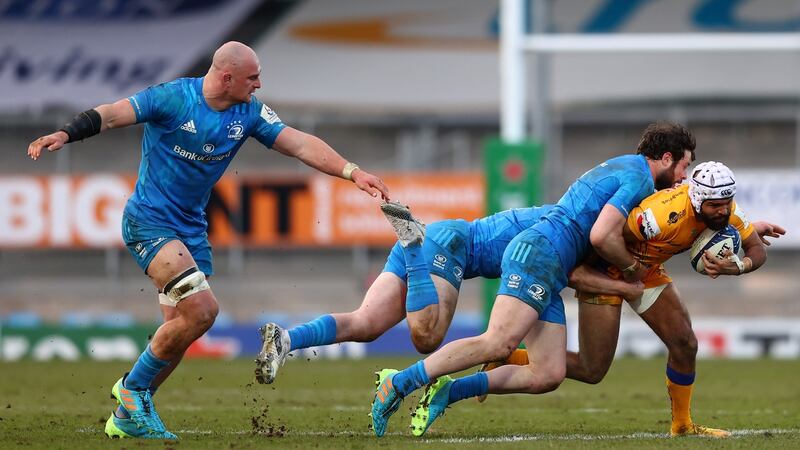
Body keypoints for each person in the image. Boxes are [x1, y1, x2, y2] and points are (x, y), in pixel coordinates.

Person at [26, 41, 389, 440]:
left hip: (191, 230)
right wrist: (65, 132)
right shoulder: (172, 98)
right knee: (202, 311)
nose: (259, 84)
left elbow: (300, 143)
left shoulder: (248, 112)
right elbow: (112, 115)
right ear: (227, 77)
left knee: (179, 333)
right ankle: (131, 389)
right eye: (252, 77)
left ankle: (126, 417)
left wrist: (353, 172)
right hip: (149, 222)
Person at [369, 121, 696, 437]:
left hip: (551, 260)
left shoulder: (625, 168)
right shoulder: (638, 179)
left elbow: (584, 252)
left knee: (548, 373)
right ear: (666, 158)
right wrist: (633, 272)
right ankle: (399, 383)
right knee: (498, 341)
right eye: (684, 166)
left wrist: (623, 284)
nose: (684, 178)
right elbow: (600, 236)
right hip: (541, 254)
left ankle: (448, 391)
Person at [486, 161, 783, 438]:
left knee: (685, 343)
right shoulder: (658, 215)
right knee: (592, 370)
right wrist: (588, 274)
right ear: (696, 200)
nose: (722, 211)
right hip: (609, 270)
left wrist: (740, 266)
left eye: (726, 203)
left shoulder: (729, 210)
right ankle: (509, 357)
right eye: (714, 205)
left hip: (648, 273)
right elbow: (604, 238)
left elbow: (757, 249)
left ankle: (682, 425)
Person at [254, 203, 644, 384]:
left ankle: (285, 339)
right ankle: (411, 246)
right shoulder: (576, 232)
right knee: (426, 336)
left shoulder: (572, 216)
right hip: (451, 244)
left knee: (366, 323)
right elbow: (573, 273)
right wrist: (628, 286)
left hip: (440, 237)